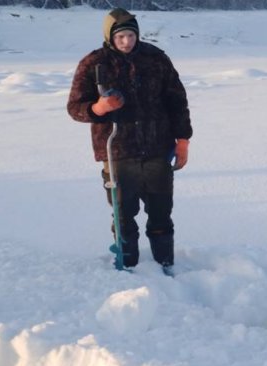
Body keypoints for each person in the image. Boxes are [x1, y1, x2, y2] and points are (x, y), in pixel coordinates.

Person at [67, 8, 192, 272]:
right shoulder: (94, 63)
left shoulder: (155, 58)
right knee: (123, 216)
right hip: (117, 152)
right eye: (121, 36)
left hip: (158, 149)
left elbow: (177, 101)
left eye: (131, 35)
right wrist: (98, 109)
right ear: (110, 36)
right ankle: (128, 267)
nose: (127, 42)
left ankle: (165, 264)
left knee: (160, 213)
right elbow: (75, 107)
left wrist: (183, 140)